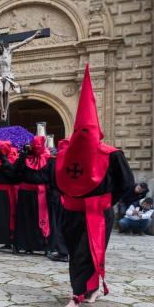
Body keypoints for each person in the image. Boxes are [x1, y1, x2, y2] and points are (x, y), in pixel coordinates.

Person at [55, 65, 133, 307]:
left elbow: (126, 183)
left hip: (97, 212)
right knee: (77, 254)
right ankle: (90, 290)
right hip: (72, 212)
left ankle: (78, 295)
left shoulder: (112, 154)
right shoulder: (65, 155)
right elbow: (58, 180)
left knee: (86, 254)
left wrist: (105, 202)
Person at [13, 136, 53, 254]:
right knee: (26, 219)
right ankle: (26, 245)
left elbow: (51, 177)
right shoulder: (25, 159)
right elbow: (16, 172)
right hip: (26, 194)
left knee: (41, 219)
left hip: (41, 194)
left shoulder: (48, 159)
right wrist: (23, 156)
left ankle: (43, 245)